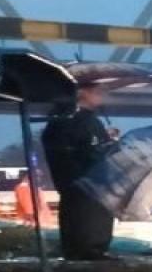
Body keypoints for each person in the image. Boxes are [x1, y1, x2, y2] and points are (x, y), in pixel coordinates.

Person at [41, 84, 115, 260]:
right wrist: (109, 144)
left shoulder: (61, 120)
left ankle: (84, 251)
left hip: (75, 185)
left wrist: (103, 138)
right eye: (97, 91)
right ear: (81, 93)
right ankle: (92, 252)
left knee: (79, 221)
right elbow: (89, 153)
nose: (103, 94)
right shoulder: (80, 120)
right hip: (87, 185)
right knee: (89, 221)